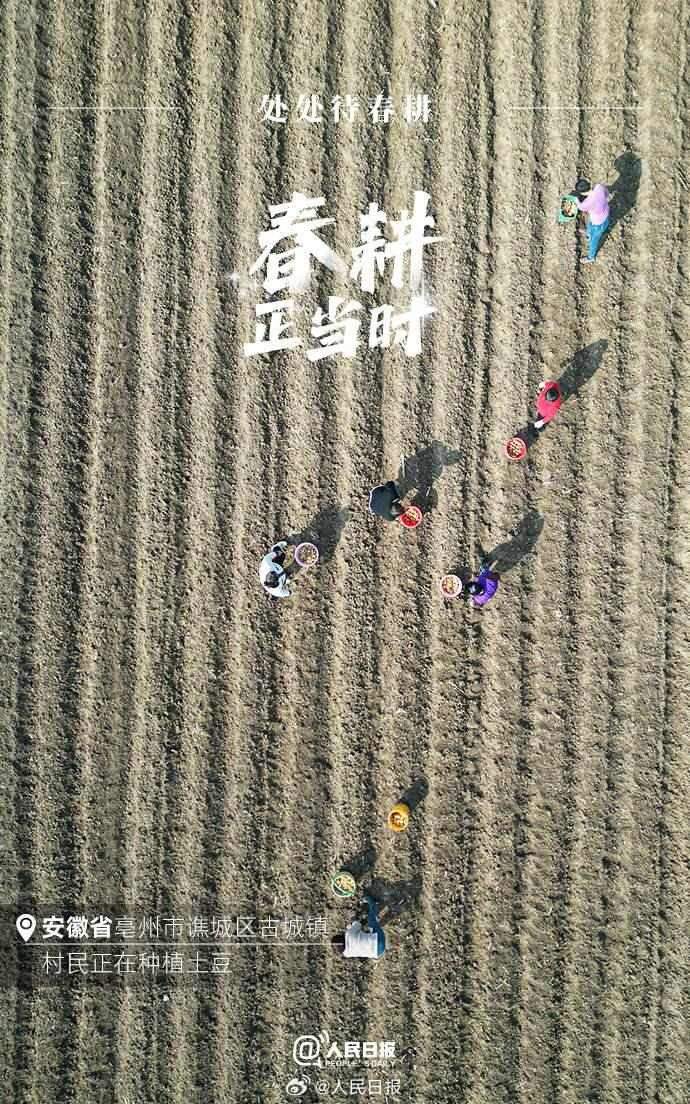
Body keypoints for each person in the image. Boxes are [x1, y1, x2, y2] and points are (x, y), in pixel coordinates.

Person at [332, 894, 386, 959]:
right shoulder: (349, 934)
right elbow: (358, 924)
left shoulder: (346, 954)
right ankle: (372, 902)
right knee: (371, 920)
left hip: (377, 953)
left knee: (364, 936)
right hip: (379, 941)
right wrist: (352, 924)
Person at [576, 182, 610, 263]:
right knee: (590, 224)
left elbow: (581, 207)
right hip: (605, 212)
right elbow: (606, 192)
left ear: (582, 193)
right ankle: (589, 233)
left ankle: (591, 257)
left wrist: (576, 200)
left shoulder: (588, 202)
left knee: (593, 241)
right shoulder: (599, 187)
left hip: (598, 223)